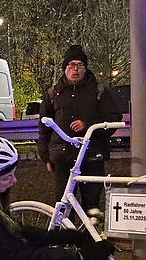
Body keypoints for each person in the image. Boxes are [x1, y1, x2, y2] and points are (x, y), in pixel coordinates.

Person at [38, 45, 123, 212]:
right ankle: (66, 230)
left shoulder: (99, 91)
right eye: (71, 65)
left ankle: (91, 228)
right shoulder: (53, 94)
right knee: (63, 205)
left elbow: (113, 119)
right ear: (64, 68)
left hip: (91, 157)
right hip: (62, 158)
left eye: (80, 65)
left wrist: (88, 125)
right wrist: (46, 157)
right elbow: (44, 128)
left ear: (85, 68)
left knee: (92, 206)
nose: (75, 69)